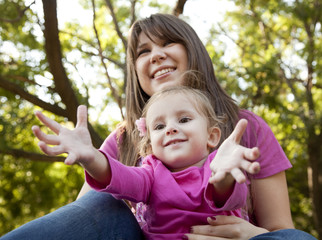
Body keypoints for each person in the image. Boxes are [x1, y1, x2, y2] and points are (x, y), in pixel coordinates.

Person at [0, 13, 316, 240]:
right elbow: (92, 212)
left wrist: (251, 233)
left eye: (168, 43)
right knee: (98, 202)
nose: (156, 55)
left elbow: (266, 220)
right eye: (143, 51)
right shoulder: (128, 141)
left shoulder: (246, 127)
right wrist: (89, 156)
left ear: (213, 137)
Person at [85, 86, 261, 239]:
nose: (170, 129)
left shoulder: (217, 165)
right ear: (151, 146)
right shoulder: (151, 173)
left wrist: (226, 175)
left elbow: (225, 195)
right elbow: (121, 178)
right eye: (159, 127)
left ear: (211, 136)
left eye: (184, 120)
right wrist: (91, 158)